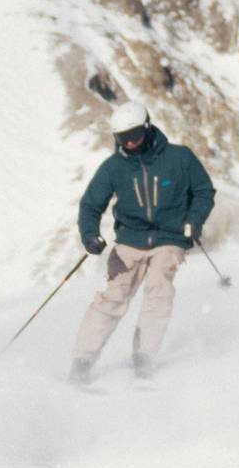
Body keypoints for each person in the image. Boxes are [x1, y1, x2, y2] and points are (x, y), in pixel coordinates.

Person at [72, 101, 215, 384]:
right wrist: (90, 235)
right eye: (123, 138)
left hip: (170, 237)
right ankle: (82, 361)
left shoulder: (179, 157)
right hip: (130, 238)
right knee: (113, 296)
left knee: (159, 290)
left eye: (135, 135)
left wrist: (194, 220)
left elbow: (203, 191)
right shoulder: (114, 167)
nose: (131, 143)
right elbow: (90, 205)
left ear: (148, 128)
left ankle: (144, 357)